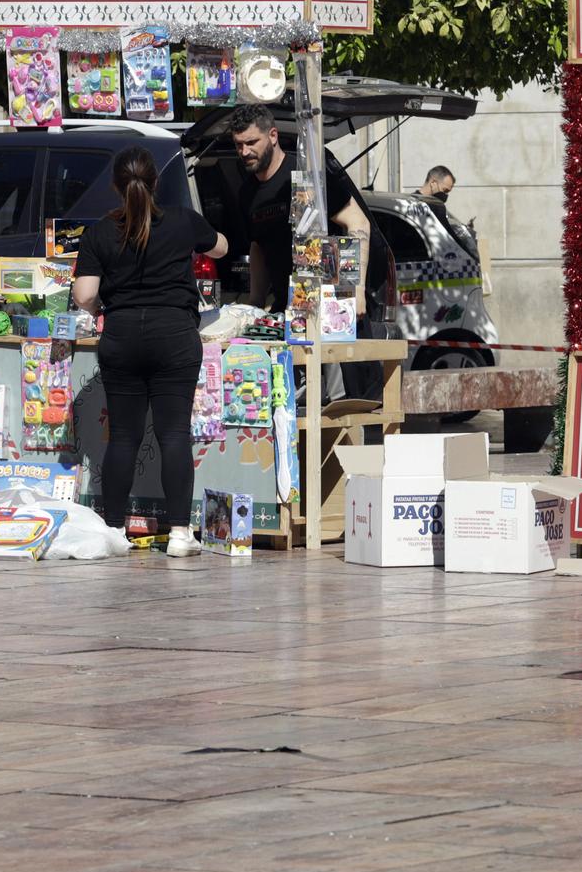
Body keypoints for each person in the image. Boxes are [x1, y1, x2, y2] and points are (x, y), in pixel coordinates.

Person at [71, 146, 230, 558]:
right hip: (175, 336)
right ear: (155, 182)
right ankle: (180, 533)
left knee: (123, 436)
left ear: (115, 186)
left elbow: (85, 294)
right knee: (173, 433)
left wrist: (102, 305)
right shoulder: (181, 221)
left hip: (121, 337)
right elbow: (222, 248)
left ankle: (114, 529)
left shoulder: (100, 232)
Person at [224, 105, 391, 398]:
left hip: (331, 308)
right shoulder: (247, 192)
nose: (245, 151)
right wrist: (255, 303)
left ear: (272, 136)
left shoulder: (304, 176)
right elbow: (258, 247)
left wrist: (357, 289)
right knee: (298, 401)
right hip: (289, 313)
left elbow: (357, 222)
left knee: (349, 401)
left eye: (252, 142)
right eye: (239, 145)